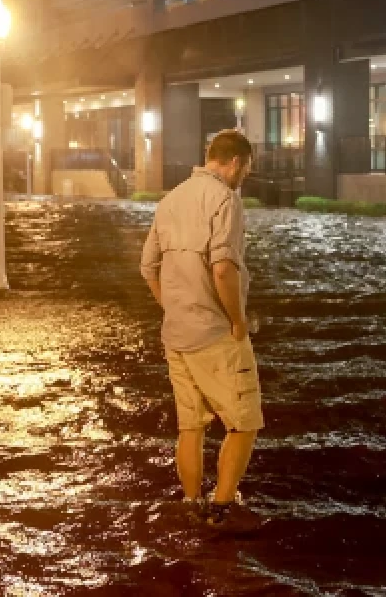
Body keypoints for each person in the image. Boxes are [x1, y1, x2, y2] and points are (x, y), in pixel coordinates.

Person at [140, 129, 263, 533]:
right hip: (214, 333)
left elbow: (148, 267)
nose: (244, 176)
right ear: (236, 163)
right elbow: (224, 268)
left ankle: (191, 504)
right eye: (245, 169)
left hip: (176, 332)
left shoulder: (170, 199)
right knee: (243, 422)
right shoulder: (225, 199)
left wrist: (171, 306)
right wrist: (238, 320)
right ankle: (222, 509)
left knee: (190, 427)